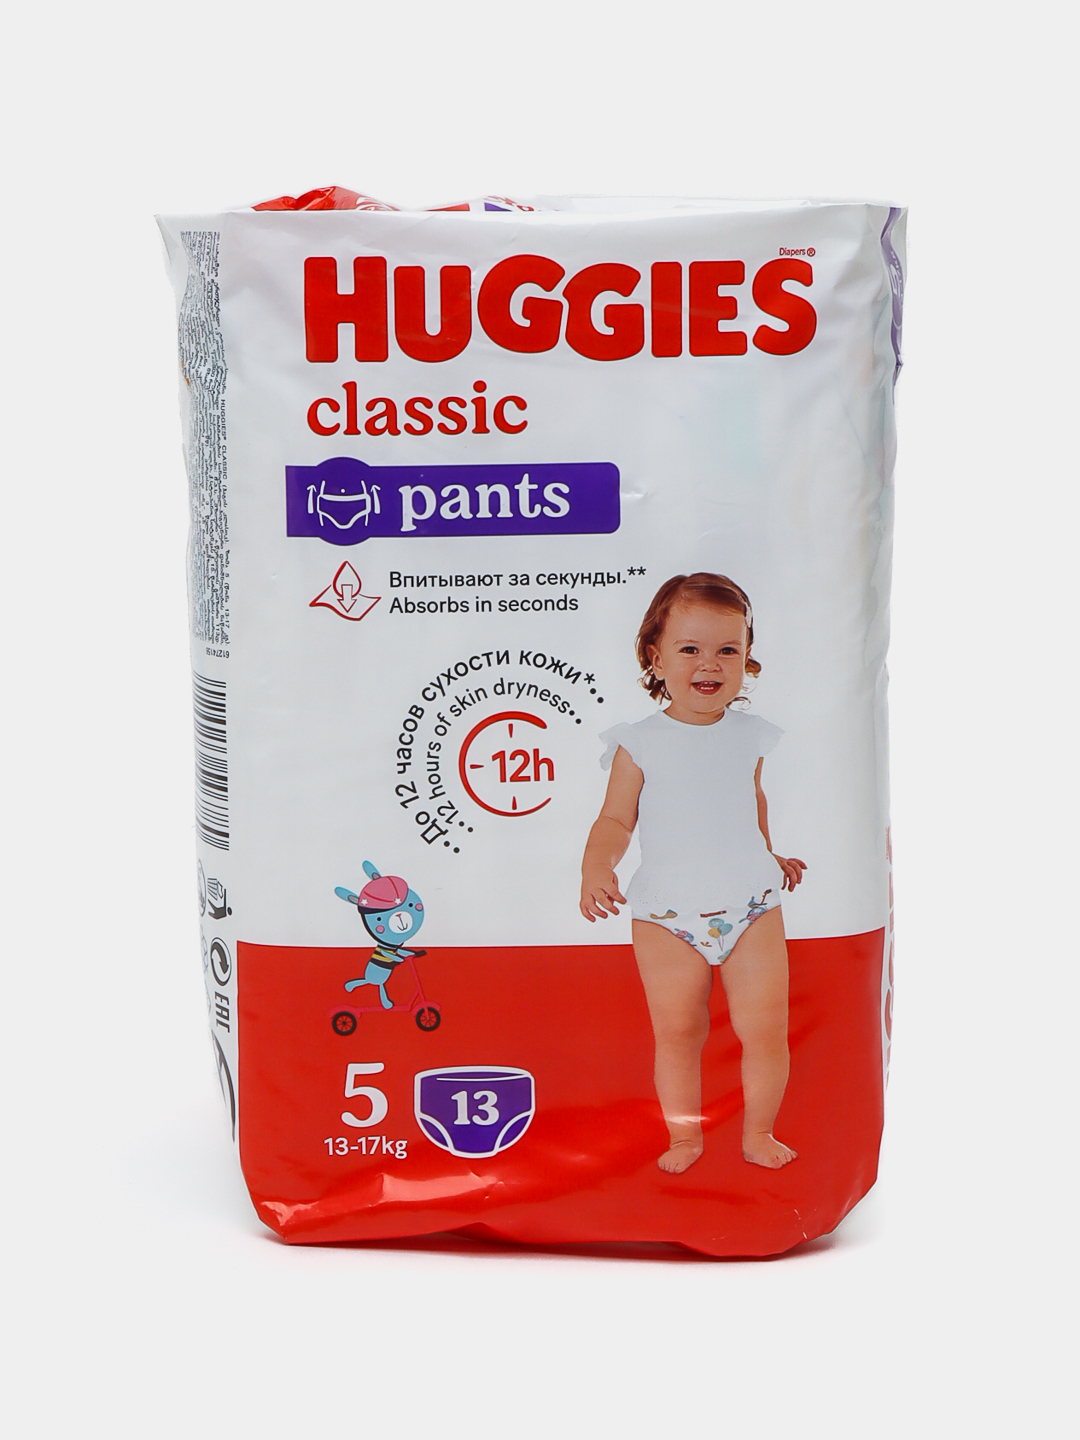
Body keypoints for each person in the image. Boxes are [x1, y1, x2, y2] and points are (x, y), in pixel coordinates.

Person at [579, 573, 806, 1173]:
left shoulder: (751, 736)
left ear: (747, 659)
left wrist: (769, 854)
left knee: (766, 1029)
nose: (710, 663)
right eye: (690, 649)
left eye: (728, 649)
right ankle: (684, 1138)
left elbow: (748, 804)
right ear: (656, 658)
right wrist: (597, 866)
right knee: (679, 1031)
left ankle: (759, 1132)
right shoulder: (639, 743)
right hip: (666, 913)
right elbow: (614, 820)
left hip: (752, 905)